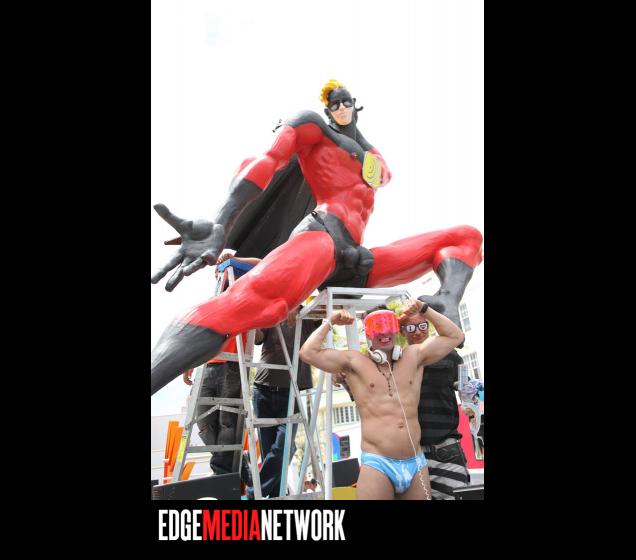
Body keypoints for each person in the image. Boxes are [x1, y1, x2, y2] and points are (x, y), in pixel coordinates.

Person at [150, 79, 483, 395]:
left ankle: (446, 300)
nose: (341, 107)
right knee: (251, 303)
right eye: (334, 104)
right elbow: (267, 159)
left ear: (355, 105)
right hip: (323, 236)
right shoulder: (314, 128)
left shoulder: (370, 154)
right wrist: (222, 221)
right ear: (327, 110)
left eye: (346, 102)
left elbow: (381, 173)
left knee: (465, 237)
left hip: (355, 257)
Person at [299, 298, 464, 500]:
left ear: (396, 329)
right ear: (368, 333)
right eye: (377, 328)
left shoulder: (415, 356)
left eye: (388, 327)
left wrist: (424, 308)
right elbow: (307, 353)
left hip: (416, 463)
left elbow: (455, 336)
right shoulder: (354, 362)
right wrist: (330, 321)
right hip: (378, 464)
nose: (384, 334)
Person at [181, 253, 264, 475]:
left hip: (233, 365)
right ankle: (234, 465)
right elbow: (199, 335)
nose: (222, 276)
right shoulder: (212, 303)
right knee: (203, 421)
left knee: (228, 422)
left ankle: (223, 472)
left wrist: (236, 259)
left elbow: (262, 264)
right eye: (219, 273)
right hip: (208, 366)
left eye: (226, 271)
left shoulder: (247, 299)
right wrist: (189, 363)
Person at [398, 298, 474, 500]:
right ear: (402, 332)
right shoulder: (396, 361)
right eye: (410, 327)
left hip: (446, 451)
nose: (417, 331)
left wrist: (471, 401)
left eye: (422, 326)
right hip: (411, 457)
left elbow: (467, 390)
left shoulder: (451, 356)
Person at [247, 307, 322, 499]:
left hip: (291, 392)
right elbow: (257, 338)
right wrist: (252, 319)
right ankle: (275, 497)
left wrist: (295, 306)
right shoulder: (273, 311)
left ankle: (254, 491)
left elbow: (324, 305)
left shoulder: (309, 312)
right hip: (263, 389)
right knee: (269, 452)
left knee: (285, 448)